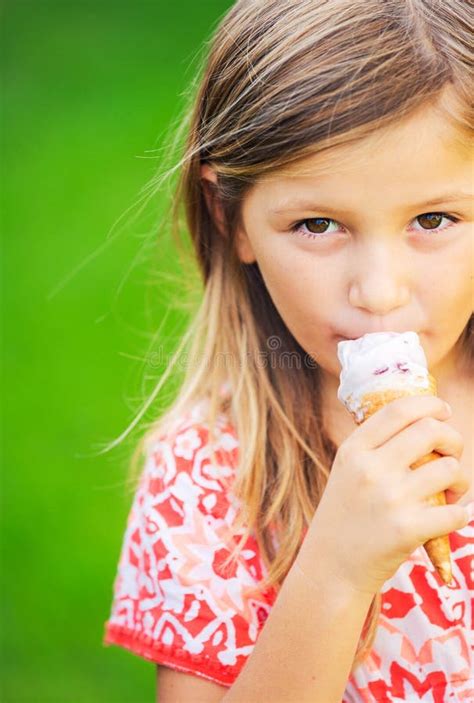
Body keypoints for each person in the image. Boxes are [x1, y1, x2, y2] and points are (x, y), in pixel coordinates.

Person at [102, 1, 473, 701]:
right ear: (229, 216)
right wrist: (336, 569)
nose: (379, 291)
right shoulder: (208, 477)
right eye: (318, 223)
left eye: (433, 219)